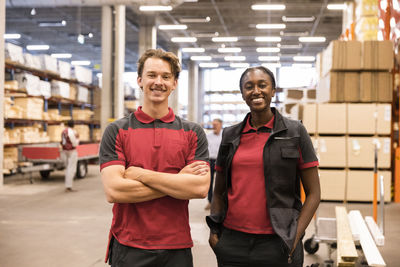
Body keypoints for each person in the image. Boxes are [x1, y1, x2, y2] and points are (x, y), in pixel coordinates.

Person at [99, 48, 210, 267]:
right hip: (129, 246)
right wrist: (178, 180)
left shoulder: (192, 132)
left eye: (166, 76)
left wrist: (141, 174)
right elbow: (114, 191)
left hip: (176, 248)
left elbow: (199, 189)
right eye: (152, 75)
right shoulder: (117, 131)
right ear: (140, 80)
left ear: (174, 83)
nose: (158, 82)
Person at [206, 66, 320, 267]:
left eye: (262, 85)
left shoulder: (295, 132)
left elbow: (314, 194)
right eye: (249, 86)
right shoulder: (230, 136)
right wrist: (215, 231)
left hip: (278, 242)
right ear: (243, 94)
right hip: (233, 242)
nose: (256, 91)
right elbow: (219, 190)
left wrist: (295, 236)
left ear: (273, 90)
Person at [205, 118, 223, 210]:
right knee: (209, 182)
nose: (214, 126)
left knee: (222, 181)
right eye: (213, 124)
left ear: (221, 124)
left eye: (216, 124)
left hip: (221, 161)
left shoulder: (225, 135)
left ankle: (221, 202)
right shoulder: (208, 136)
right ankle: (210, 201)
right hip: (211, 161)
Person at [61, 120, 79, 192]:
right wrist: (77, 139)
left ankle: (68, 185)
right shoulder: (71, 132)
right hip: (71, 151)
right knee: (71, 168)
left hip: (65, 151)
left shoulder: (64, 131)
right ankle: (69, 186)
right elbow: (74, 142)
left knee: (68, 168)